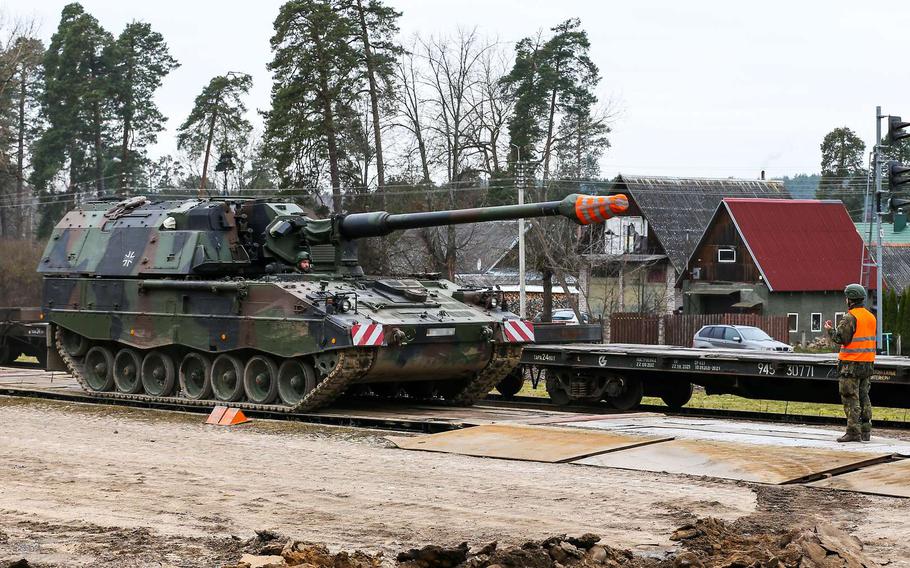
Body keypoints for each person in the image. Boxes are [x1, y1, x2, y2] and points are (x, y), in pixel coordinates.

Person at [824, 284, 876, 443]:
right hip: (867, 363)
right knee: (864, 396)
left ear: (850, 300)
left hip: (851, 365)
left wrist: (830, 330)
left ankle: (853, 432)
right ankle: (866, 431)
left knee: (850, 397)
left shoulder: (850, 317)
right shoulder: (870, 316)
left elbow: (841, 339)